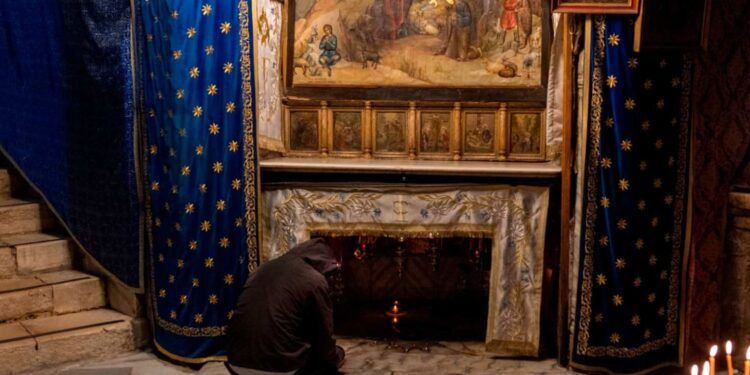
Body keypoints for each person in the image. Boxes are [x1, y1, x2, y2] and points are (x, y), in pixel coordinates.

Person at [226, 239, 345, 375]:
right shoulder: (315, 280)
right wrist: (336, 356)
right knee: (329, 359)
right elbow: (324, 338)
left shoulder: (261, 269)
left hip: (235, 364)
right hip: (280, 369)